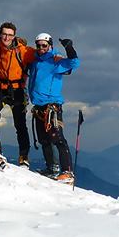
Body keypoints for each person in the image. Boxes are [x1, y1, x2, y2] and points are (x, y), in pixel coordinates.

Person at [27, 33, 79, 183]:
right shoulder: (35, 61)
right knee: (44, 139)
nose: (41, 48)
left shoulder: (56, 61)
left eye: (44, 45)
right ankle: (52, 168)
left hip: (52, 106)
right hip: (38, 106)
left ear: (50, 45)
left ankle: (67, 171)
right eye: (39, 45)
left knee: (57, 138)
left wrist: (69, 48)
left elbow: (74, 63)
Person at [0, 22, 35, 167]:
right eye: (4, 34)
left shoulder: (23, 51)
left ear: (14, 36)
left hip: (17, 91)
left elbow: (42, 56)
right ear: (0, 34)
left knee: (20, 125)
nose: (6, 37)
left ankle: (24, 157)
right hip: (0, 89)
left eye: (10, 35)